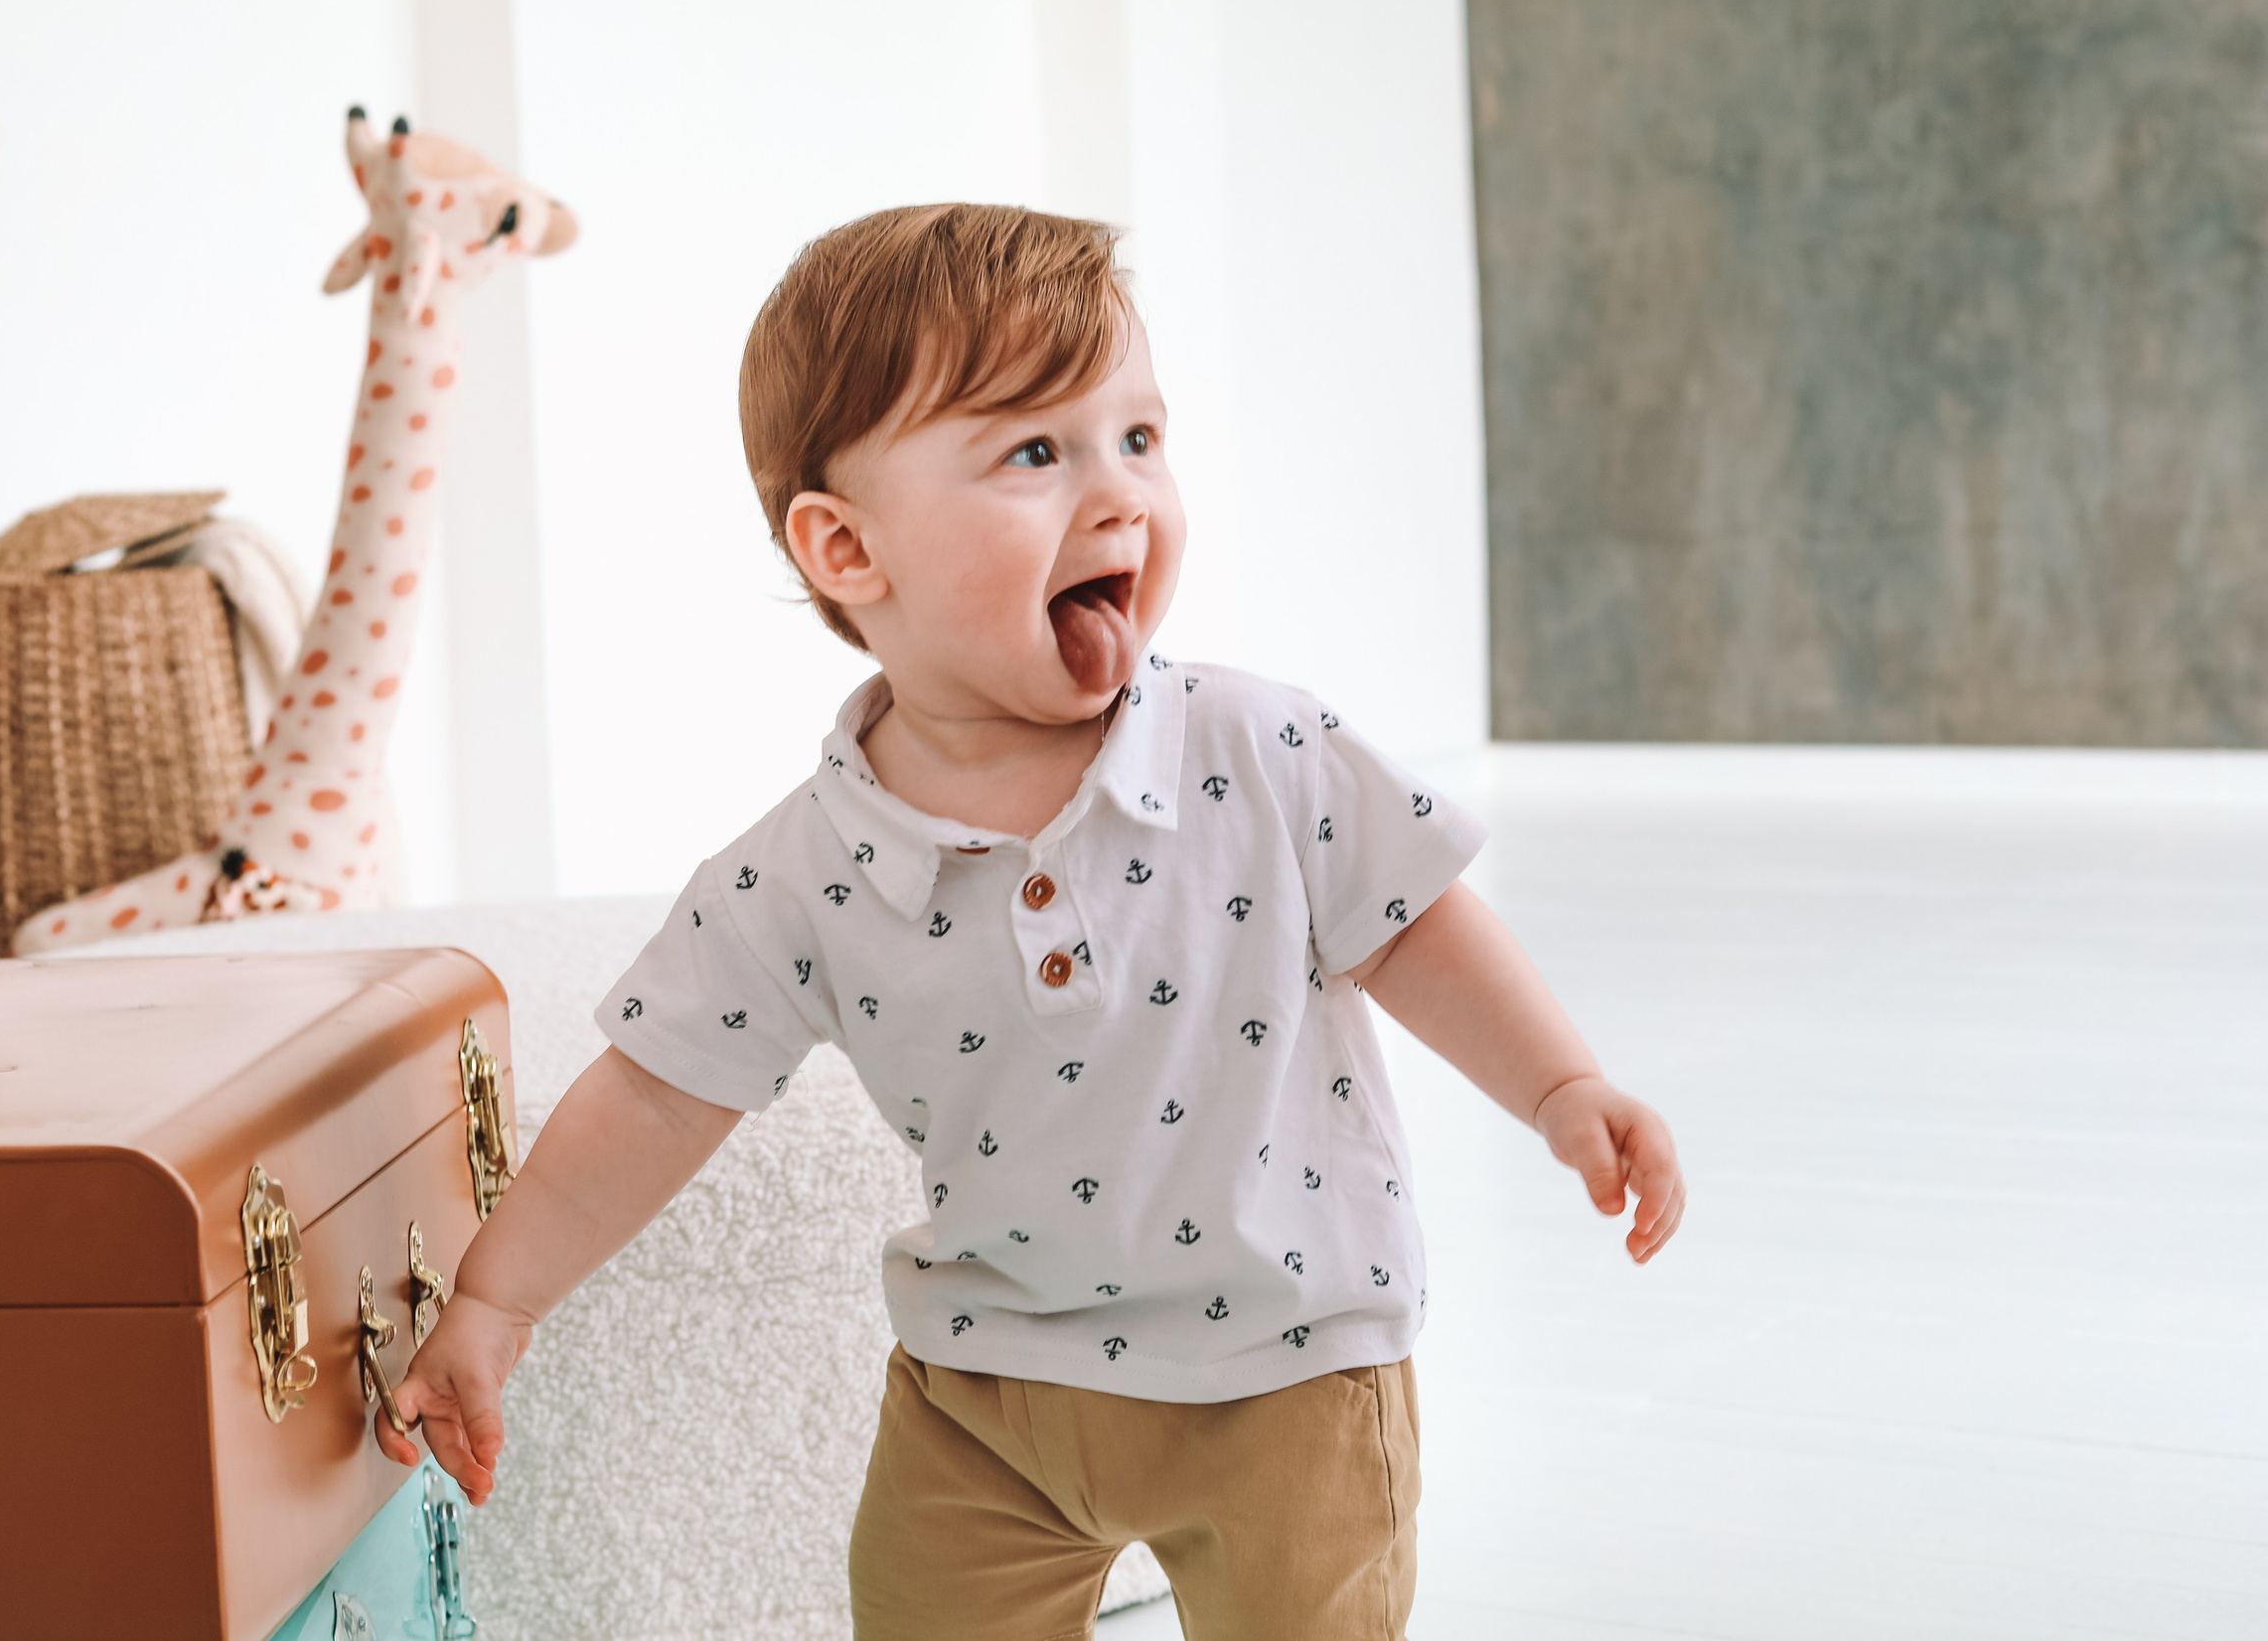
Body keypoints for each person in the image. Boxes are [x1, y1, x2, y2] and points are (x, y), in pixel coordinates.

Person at [382, 203, 1686, 1638]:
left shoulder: (1259, 752)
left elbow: (1412, 920)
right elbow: (653, 1095)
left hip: (1292, 1368)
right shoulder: (806, 869)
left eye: (1139, 437)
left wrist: (1562, 1084)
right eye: (1035, 453)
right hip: (986, 1390)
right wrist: (498, 1301)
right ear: (844, 547)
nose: (1122, 494)